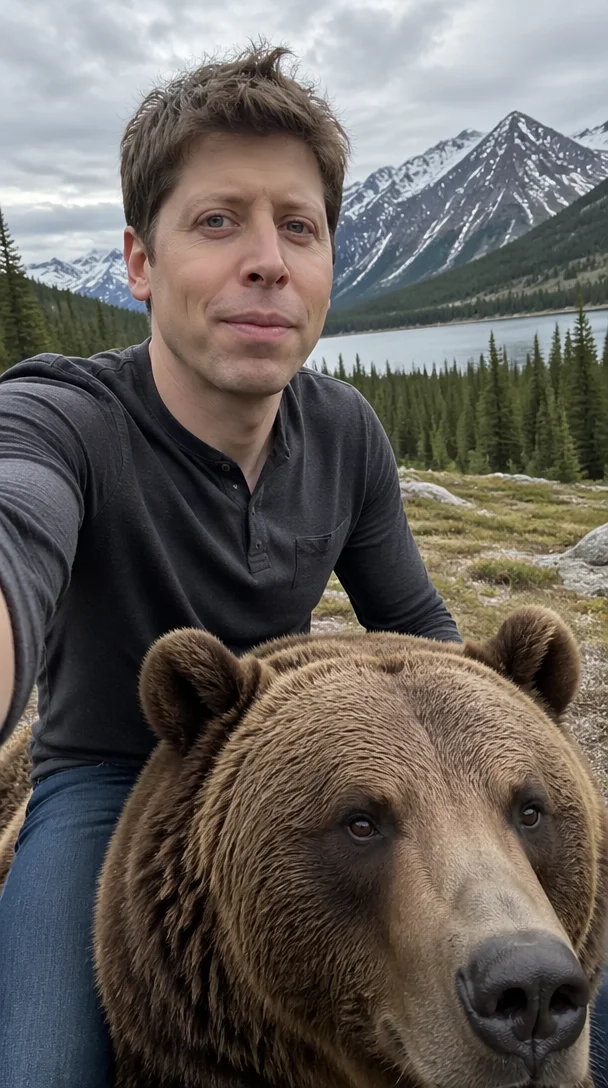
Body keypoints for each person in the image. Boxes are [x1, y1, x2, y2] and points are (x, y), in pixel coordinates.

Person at [0, 42, 600, 1088]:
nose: (266, 259)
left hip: (291, 766)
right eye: (218, 220)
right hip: (100, 773)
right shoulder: (61, 422)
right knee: (45, 1063)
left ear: (327, 265)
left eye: (299, 227)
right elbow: (14, 526)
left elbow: (422, 638)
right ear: (140, 261)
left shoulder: (344, 431)